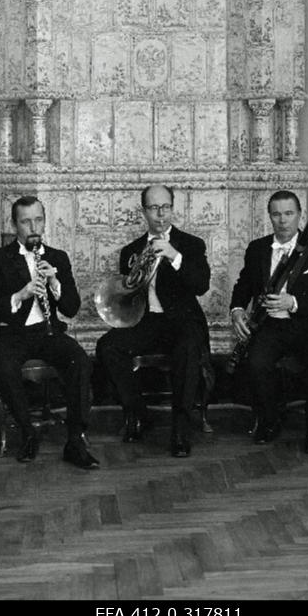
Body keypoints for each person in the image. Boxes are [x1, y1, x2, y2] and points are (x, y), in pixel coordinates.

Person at [0, 195, 99, 470]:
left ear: (44, 221)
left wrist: (55, 282)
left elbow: (71, 308)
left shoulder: (57, 257)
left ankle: (75, 441)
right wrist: (20, 295)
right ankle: (27, 433)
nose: (33, 228)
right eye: (26, 222)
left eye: (38, 220)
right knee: (4, 365)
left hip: (47, 332)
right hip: (10, 335)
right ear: (14, 224)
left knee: (79, 360)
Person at [96, 184, 211, 458]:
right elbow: (127, 295)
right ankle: (138, 413)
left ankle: (181, 430)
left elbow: (201, 285)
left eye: (166, 207)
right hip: (146, 322)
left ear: (173, 207)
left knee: (187, 348)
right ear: (144, 212)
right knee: (107, 346)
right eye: (154, 208)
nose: (161, 214)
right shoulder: (131, 250)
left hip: (182, 321)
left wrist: (174, 256)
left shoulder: (191, 244)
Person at [230, 190, 308, 454]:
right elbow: (244, 285)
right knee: (256, 363)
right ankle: (269, 421)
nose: (283, 220)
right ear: (269, 216)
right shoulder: (257, 248)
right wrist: (237, 310)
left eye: (289, 213)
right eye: (276, 214)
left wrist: (294, 302)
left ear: (300, 215)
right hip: (271, 325)